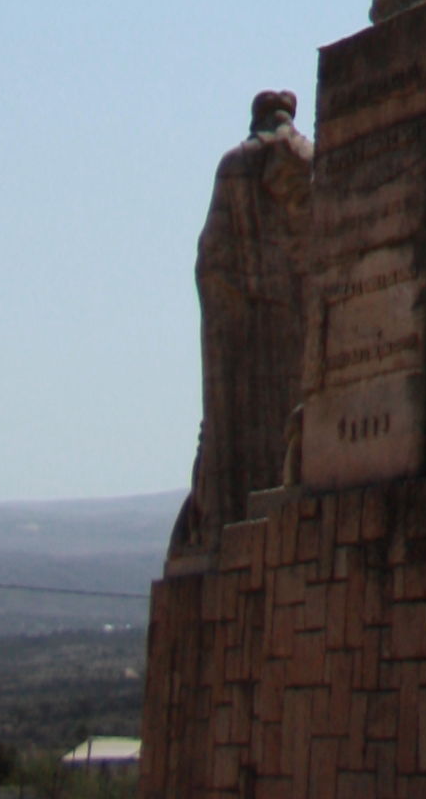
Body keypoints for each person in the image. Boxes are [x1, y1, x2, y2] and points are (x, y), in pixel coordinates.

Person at [169, 90, 312, 545]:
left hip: (239, 330)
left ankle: (224, 528)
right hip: (292, 316)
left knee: (232, 438)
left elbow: (211, 255)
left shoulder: (233, 165)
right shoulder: (307, 159)